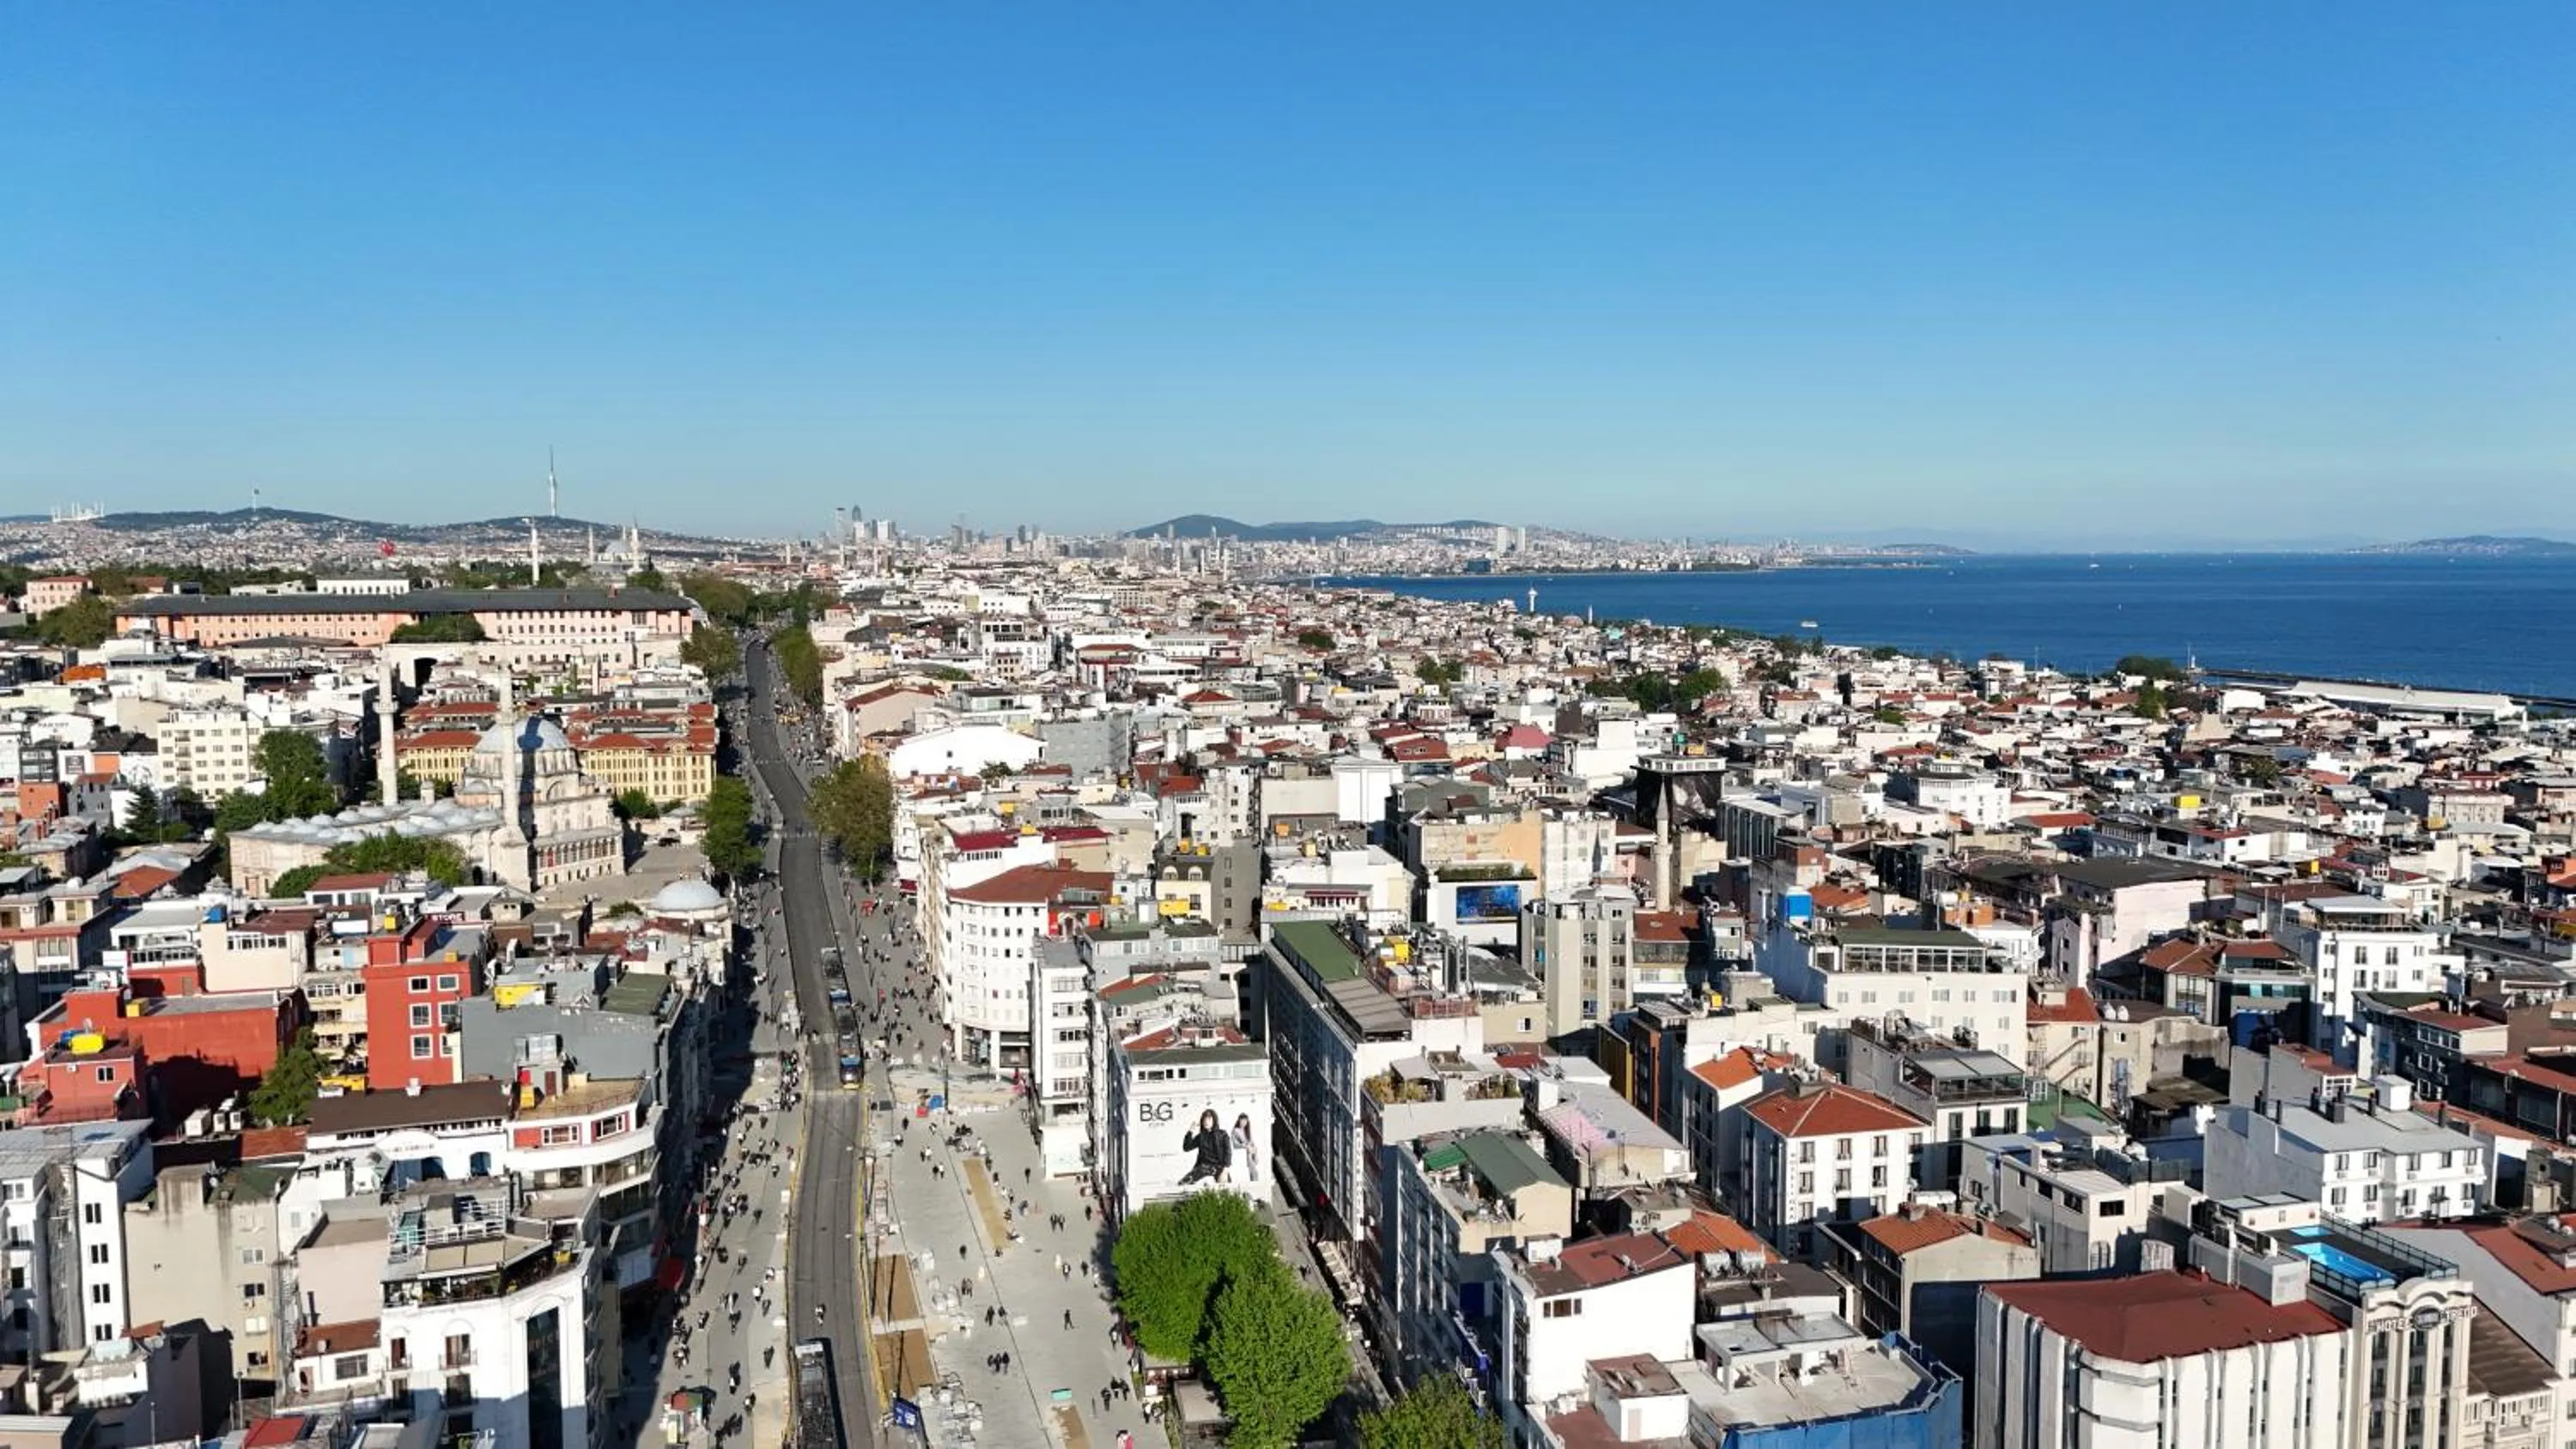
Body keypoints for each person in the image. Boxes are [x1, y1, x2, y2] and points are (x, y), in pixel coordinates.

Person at [1178, 1108, 1230, 1186]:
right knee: (1183, 1183)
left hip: (1219, 1167)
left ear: (1214, 1120)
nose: (1206, 1122)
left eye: (1209, 1119)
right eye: (1204, 1119)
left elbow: (1228, 1153)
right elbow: (1187, 1147)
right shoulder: (1201, 1137)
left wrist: (1225, 1170)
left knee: (1228, 1189)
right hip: (1203, 1167)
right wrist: (1191, 1130)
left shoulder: (1223, 1134)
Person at [1230, 1113, 1260, 1185]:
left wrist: (1256, 1154)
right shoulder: (1235, 1130)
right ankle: (1254, 1185)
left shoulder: (1247, 1131)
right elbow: (1235, 1144)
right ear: (1239, 1120)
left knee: (1253, 1173)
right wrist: (1245, 1146)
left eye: (1245, 1121)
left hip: (1251, 1153)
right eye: (1242, 1120)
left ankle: (1254, 1185)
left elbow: (1252, 1142)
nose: (1244, 1123)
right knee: (1254, 1173)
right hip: (1244, 1155)